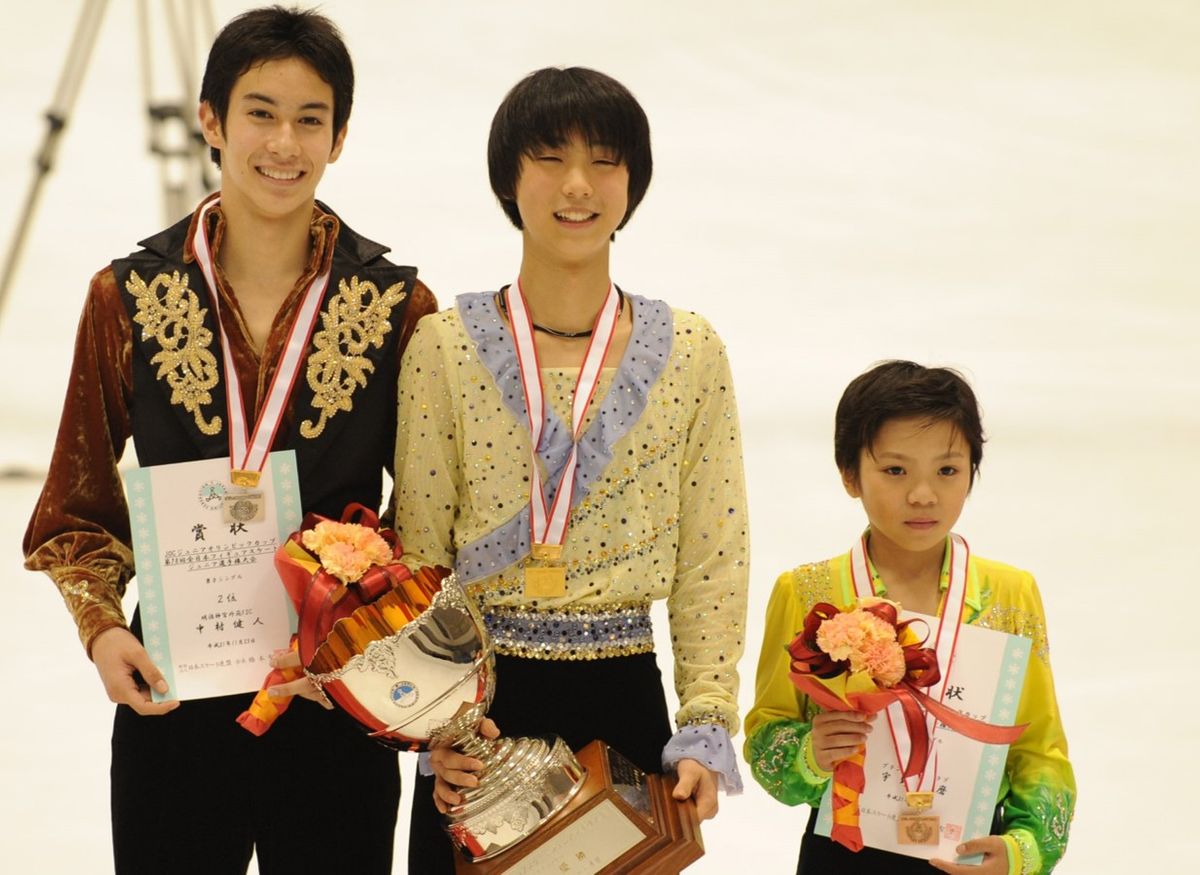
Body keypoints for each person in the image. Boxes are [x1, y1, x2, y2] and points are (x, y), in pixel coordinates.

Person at [22, 7, 435, 873]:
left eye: (309, 119)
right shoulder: (127, 297)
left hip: (334, 701)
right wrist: (104, 633)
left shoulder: (398, 308)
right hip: (172, 700)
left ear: (340, 136)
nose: (283, 143)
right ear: (211, 120)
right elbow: (76, 508)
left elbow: (433, 514)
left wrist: (373, 607)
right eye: (259, 112)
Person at [393, 66, 750, 871]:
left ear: (635, 182)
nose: (578, 185)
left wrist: (703, 723)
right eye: (551, 157)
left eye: (606, 161)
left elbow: (712, 558)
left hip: (625, 702)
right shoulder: (444, 348)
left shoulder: (690, 352)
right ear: (508, 178)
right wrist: (435, 730)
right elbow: (418, 555)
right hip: (478, 717)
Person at [744, 361, 1075, 874]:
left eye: (947, 470)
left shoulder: (1010, 594)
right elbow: (766, 732)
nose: (923, 495)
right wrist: (810, 751)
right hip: (845, 850)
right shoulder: (808, 592)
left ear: (972, 472)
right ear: (850, 475)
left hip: (969, 854)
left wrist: (1023, 850)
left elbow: (1039, 748)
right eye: (896, 470)